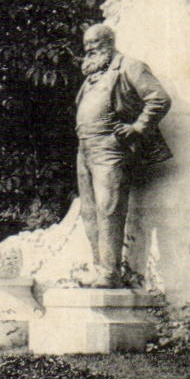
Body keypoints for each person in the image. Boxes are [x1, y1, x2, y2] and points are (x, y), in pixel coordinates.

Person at [74, 23, 172, 287]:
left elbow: (159, 99)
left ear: (109, 42)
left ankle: (110, 273)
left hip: (110, 148)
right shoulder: (92, 77)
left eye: (96, 43)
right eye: (87, 46)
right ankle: (99, 269)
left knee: (109, 209)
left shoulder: (129, 66)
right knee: (89, 211)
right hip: (85, 149)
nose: (91, 49)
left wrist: (138, 127)